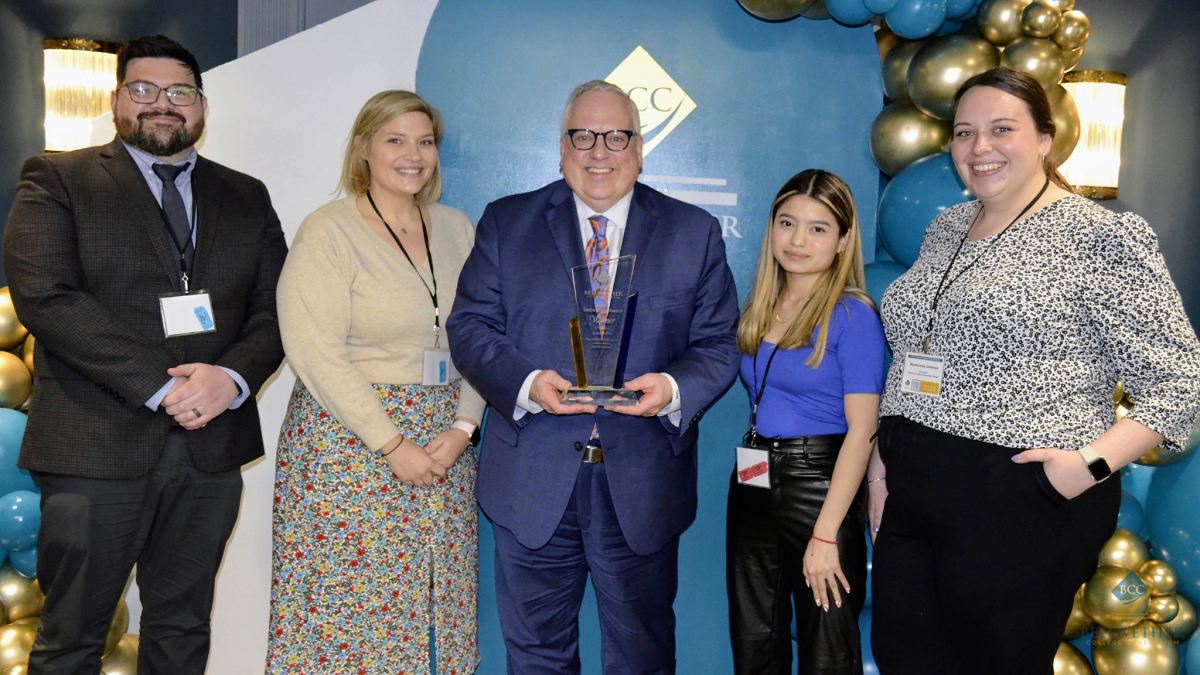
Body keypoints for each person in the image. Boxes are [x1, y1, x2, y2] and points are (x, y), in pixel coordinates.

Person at [868, 67, 1200, 674]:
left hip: (1019, 493)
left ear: (1046, 139)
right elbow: (922, 351)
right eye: (964, 132)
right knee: (903, 658)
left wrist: (1086, 467)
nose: (979, 147)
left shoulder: (1100, 235)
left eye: (1002, 129)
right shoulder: (948, 227)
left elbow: (1179, 386)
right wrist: (882, 465)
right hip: (913, 486)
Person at [3, 35, 287, 674]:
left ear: (202, 106)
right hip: (93, 447)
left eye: (180, 92)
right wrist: (161, 387)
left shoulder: (247, 194)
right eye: (144, 90)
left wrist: (232, 379)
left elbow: (275, 308)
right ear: (116, 99)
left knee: (183, 631)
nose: (163, 104)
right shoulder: (58, 179)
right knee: (72, 639)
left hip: (211, 449)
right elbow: (47, 298)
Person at [446, 80, 740, 674]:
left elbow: (719, 344)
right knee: (536, 656)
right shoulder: (507, 222)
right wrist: (527, 383)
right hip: (531, 477)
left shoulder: (694, 231)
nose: (598, 151)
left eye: (616, 137)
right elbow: (471, 328)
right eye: (583, 136)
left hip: (642, 481)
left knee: (642, 654)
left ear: (639, 148)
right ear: (561, 147)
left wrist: (674, 390)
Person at [267, 90, 484, 675]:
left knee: (437, 609)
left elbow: (484, 339)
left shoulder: (458, 229)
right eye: (395, 140)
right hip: (351, 445)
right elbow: (314, 350)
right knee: (348, 616)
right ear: (364, 149)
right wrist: (390, 442)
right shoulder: (330, 230)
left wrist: (465, 427)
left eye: (425, 142)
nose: (412, 155)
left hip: (445, 443)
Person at [728, 169, 885, 675]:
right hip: (753, 476)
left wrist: (826, 535)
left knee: (826, 648)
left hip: (818, 483)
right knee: (754, 635)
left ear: (842, 241)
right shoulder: (762, 306)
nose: (798, 240)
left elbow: (863, 433)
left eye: (818, 228)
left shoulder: (852, 314)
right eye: (787, 223)